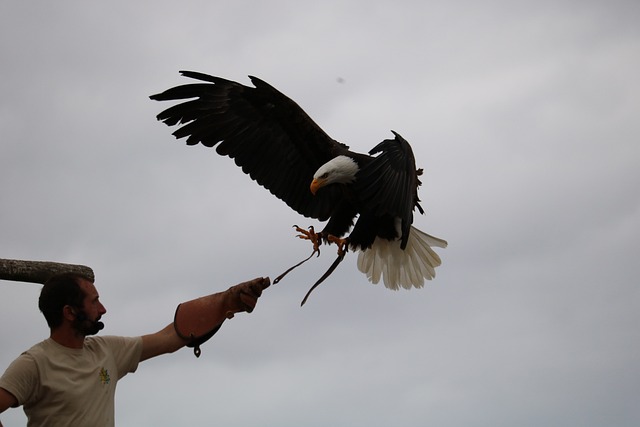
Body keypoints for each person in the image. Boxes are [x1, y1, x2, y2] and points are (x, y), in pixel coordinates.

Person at [0, 272, 270, 426]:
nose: (103, 309)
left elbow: (170, 338)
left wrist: (224, 302)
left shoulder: (106, 350)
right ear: (69, 312)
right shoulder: (34, 363)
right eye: (95, 302)